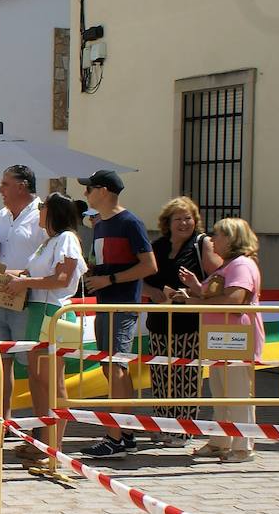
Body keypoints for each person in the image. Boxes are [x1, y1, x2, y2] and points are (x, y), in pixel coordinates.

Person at [78, 169, 157, 458]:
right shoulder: (100, 224)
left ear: (104, 191)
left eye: (89, 189)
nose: (85, 193)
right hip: (104, 303)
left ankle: (116, 437)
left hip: (122, 305)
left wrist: (108, 280)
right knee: (110, 367)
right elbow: (104, 263)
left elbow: (149, 266)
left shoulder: (130, 222)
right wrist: (93, 272)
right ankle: (125, 432)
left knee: (115, 366)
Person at [173, 218, 263, 463]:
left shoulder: (241, 265)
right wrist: (194, 287)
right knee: (221, 391)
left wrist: (194, 301)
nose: (212, 240)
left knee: (237, 392)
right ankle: (220, 441)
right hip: (221, 338)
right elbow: (216, 293)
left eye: (218, 235)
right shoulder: (230, 265)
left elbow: (234, 300)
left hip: (235, 338)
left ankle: (243, 446)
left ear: (232, 239)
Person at [5, 193, 87, 459]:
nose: (38, 211)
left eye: (42, 207)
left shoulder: (66, 239)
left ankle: (55, 446)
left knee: (52, 382)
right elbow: (36, 274)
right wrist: (11, 276)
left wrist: (25, 283)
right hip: (38, 311)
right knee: (37, 379)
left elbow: (61, 279)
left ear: (53, 211)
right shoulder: (49, 240)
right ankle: (42, 440)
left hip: (54, 313)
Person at [141, 196, 221, 447]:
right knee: (161, 377)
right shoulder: (158, 246)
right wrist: (152, 292)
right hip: (159, 322)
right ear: (168, 222)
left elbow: (218, 278)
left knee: (186, 378)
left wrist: (195, 291)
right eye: (179, 219)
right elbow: (141, 277)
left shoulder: (202, 244)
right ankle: (163, 426)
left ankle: (184, 430)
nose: (184, 223)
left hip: (190, 324)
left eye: (188, 218)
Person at [0, 164, 47, 417]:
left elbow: (48, 259)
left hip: (27, 300)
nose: (0, 190)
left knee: (33, 365)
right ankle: (1, 420)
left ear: (22, 186)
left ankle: (41, 428)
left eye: (5, 184)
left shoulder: (41, 215)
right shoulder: (1, 215)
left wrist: (26, 279)